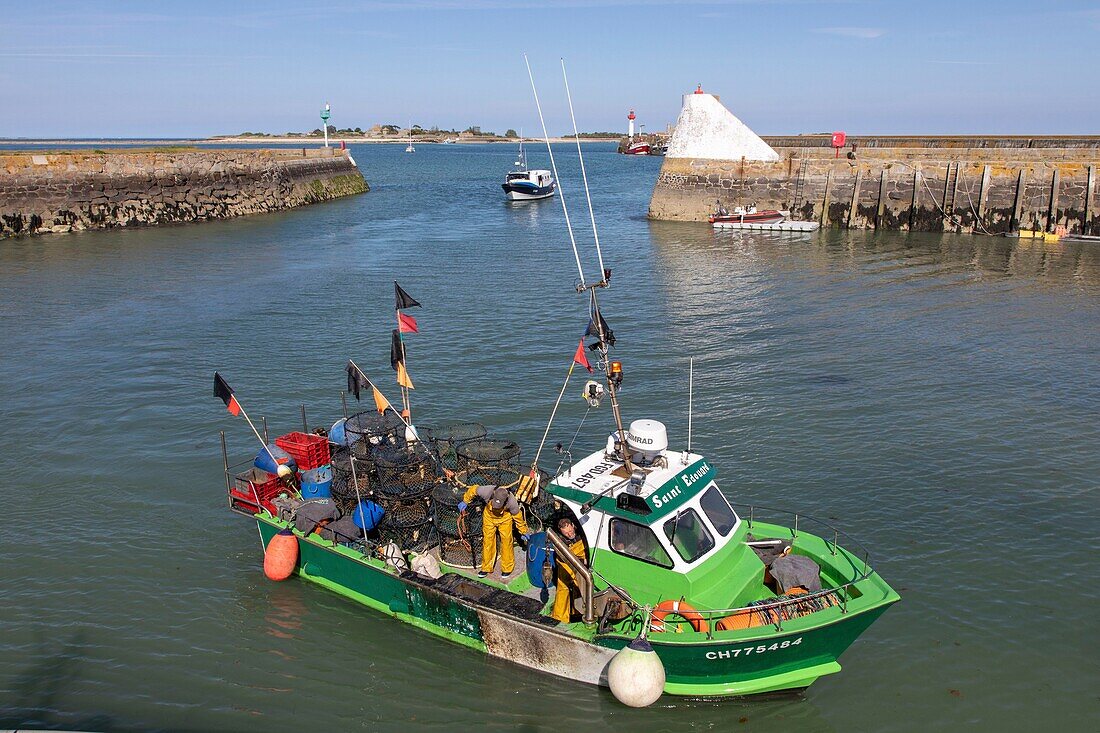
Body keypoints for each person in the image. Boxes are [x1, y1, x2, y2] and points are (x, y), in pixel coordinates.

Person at [460, 484, 530, 578]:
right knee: (487, 541)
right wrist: (465, 501)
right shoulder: (486, 491)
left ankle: (507, 568)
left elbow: (518, 517)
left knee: (506, 542)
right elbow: (473, 489)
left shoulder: (512, 502)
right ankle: (486, 568)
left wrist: (523, 531)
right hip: (489, 517)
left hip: (505, 519)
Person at [551, 517, 589, 624]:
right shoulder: (559, 541)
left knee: (580, 588)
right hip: (565, 565)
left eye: (570, 531)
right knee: (563, 589)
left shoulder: (583, 530)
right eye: (566, 533)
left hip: (580, 563)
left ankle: (578, 612)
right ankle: (558, 618)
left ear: (572, 525)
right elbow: (564, 555)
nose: (569, 534)